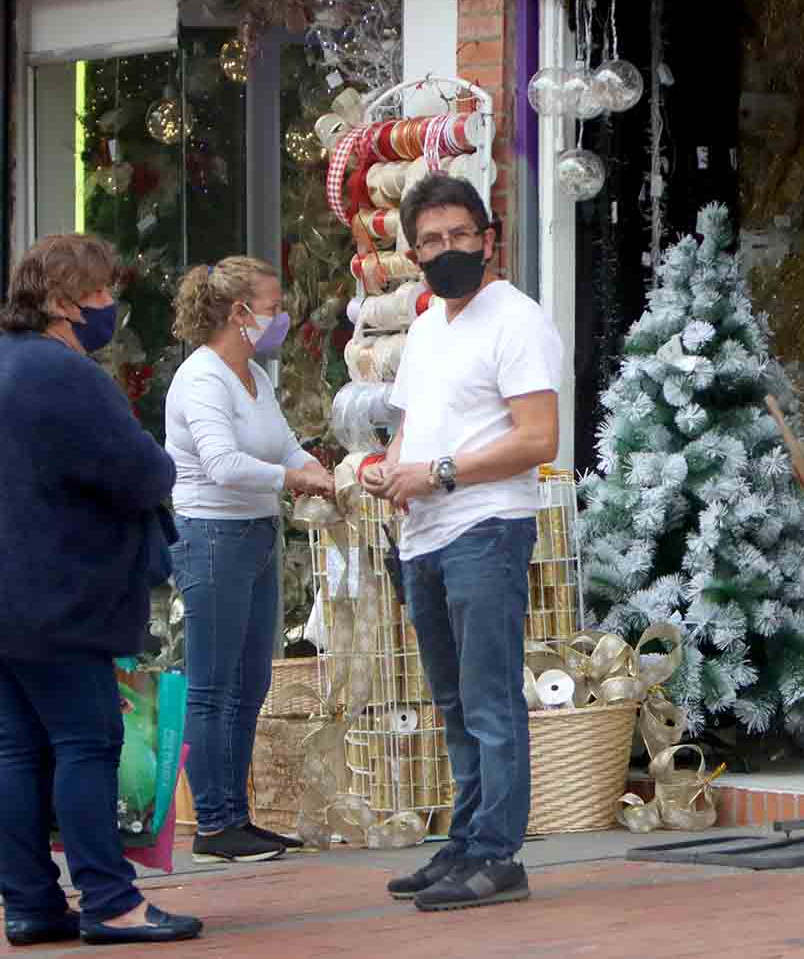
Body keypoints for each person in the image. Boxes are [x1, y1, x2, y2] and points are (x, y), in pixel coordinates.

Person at [361, 173, 561, 912]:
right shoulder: (423, 328)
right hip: (424, 533)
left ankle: (497, 853)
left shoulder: (517, 319)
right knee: (452, 698)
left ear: (488, 239)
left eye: (460, 236)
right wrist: (393, 476)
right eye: (432, 241)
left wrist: (437, 474)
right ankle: (469, 833)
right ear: (413, 253)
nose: (447, 250)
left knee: (487, 697)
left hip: (486, 527)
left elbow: (539, 437)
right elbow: (412, 426)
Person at [0, 234, 203, 946]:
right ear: (60, 301)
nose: (110, 306)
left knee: (17, 751)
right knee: (87, 744)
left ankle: (27, 903)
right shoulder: (69, 375)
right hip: (65, 598)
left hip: (9, 601)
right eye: (100, 294)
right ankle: (110, 900)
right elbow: (145, 472)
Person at [166, 256, 334, 864]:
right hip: (211, 537)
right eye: (272, 305)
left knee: (250, 683)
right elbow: (222, 464)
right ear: (239, 313)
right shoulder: (203, 378)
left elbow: (283, 440)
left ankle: (236, 815)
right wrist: (296, 478)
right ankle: (213, 822)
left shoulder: (255, 378)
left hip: (256, 535)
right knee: (213, 686)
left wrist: (315, 469)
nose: (281, 316)